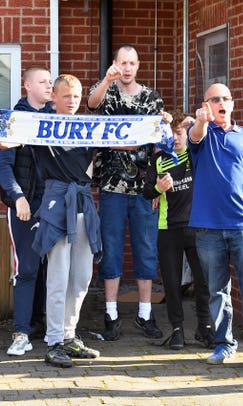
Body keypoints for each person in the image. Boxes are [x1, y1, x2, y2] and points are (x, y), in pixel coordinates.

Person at [188, 83, 243, 371]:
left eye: (225, 98)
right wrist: (201, 120)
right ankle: (224, 344)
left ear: (232, 103)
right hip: (208, 227)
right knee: (217, 290)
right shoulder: (200, 134)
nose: (221, 102)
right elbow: (195, 135)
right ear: (206, 104)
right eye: (215, 99)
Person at [87, 44, 164, 341]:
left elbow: (158, 142)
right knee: (112, 249)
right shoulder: (106, 90)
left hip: (144, 188)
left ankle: (145, 313)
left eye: (132, 63)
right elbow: (92, 106)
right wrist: (107, 80)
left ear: (138, 64)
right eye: (123, 63)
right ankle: (111, 314)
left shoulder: (151, 97)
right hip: (111, 186)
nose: (127, 68)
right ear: (115, 64)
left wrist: (157, 182)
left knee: (146, 249)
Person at [143, 110, 213, 350]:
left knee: (203, 281)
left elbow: (206, 136)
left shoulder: (195, 155)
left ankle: (204, 328)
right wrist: (158, 187)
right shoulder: (159, 160)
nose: (176, 139)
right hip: (168, 229)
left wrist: (196, 123)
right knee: (171, 284)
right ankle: (177, 330)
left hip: (197, 228)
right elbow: (146, 192)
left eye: (180, 133)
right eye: (171, 134)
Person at [0, 67, 53, 356]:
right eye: (43, 81)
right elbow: (2, 165)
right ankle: (21, 332)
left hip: (51, 205)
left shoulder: (55, 119)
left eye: (50, 81)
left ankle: (41, 325)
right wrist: (18, 197)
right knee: (27, 268)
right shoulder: (13, 120)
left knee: (48, 268)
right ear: (27, 85)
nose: (48, 86)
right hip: (24, 207)